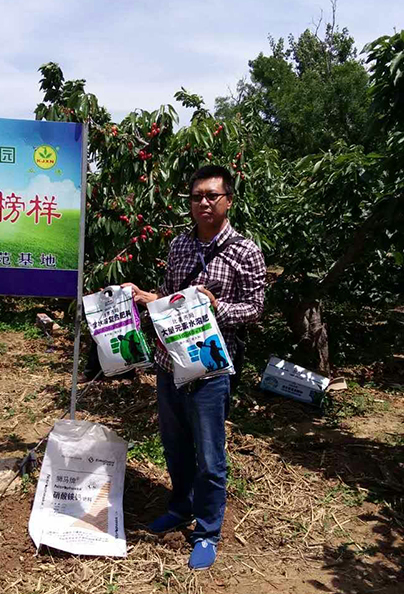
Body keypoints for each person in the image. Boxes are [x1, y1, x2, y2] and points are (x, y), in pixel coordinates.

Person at [124, 165, 266, 570]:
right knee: (174, 444)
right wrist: (145, 296)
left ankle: (207, 530)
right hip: (170, 362)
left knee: (209, 453)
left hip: (210, 368)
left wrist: (217, 308)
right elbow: (170, 297)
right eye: (196, 196)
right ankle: (180, 506)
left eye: (211, 195)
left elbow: (256, 309)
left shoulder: (245, 251)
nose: (203, 202)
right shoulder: (180, 246)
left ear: (228, 201)